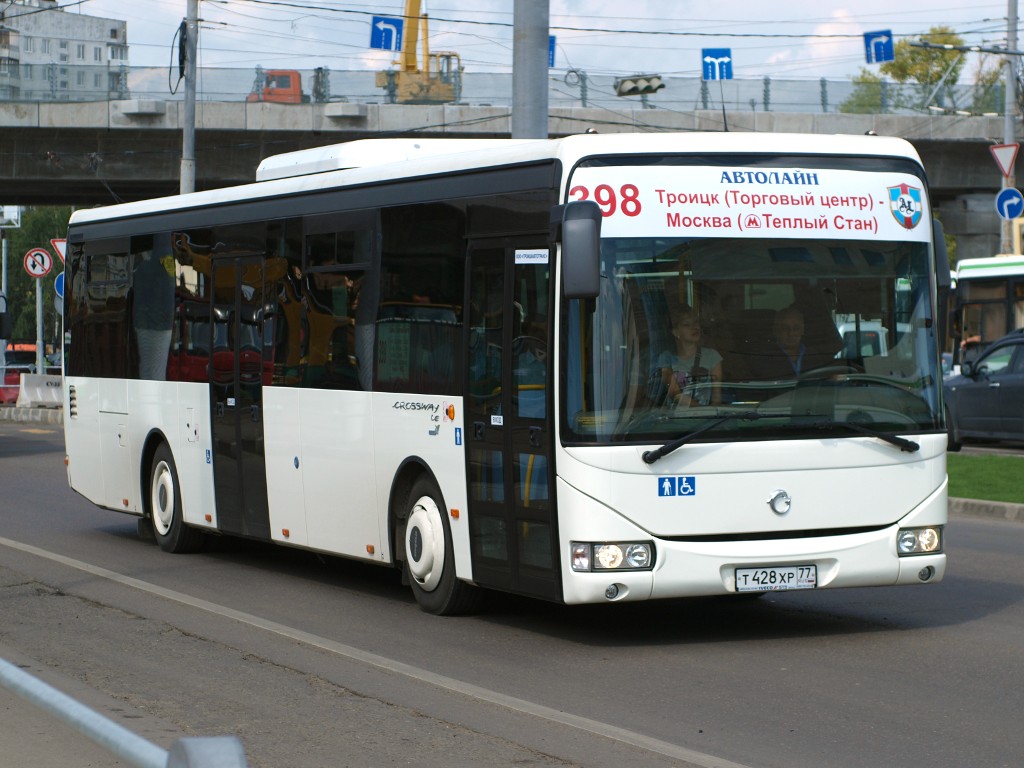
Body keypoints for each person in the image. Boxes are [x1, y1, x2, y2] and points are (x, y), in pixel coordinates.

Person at [657, 309, 722, 406]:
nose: (694, 327)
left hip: (707, 418)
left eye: (696, 322)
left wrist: (708, 415)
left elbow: (716, 397)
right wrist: (699, 410)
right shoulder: (666, 357)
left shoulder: (712, 356)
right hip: (674, 418)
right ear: (675, 332)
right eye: (686, 324)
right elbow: (674, 393)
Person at [769, 305, 806, 377]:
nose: (791, 333)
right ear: (776, 331)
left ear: (802, 330)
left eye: (796, 328)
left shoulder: (818, 356)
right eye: (785, 328)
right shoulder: (765, 357)